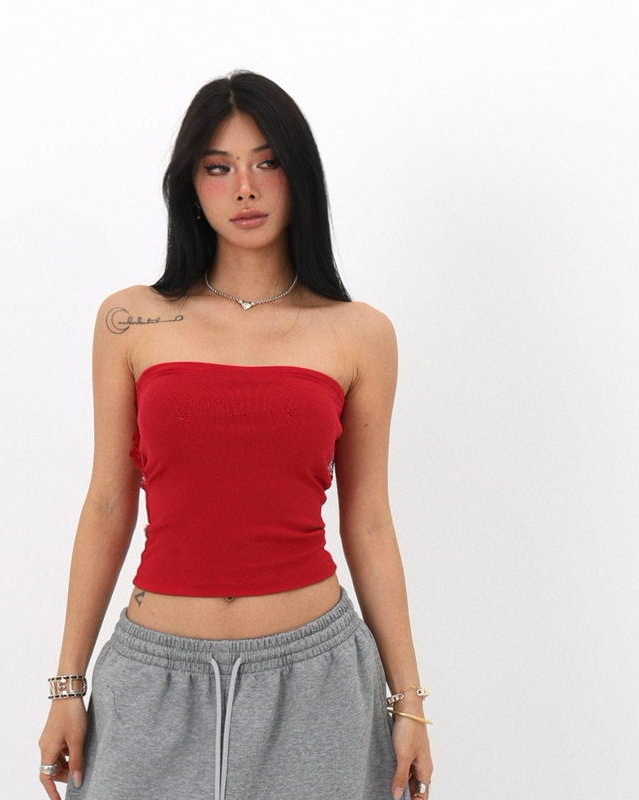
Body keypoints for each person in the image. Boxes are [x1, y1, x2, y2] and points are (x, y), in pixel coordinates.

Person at [38, 70, 433, 800]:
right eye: (218, 168)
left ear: (299, 175)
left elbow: (370, 522)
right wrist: (68, 682)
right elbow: (107, 503)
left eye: (266, 162)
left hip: (316, 680)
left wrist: (408, 702)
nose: (244, 189)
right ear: (191, 186)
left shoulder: (359, 334)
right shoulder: (132, 320)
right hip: (152, 676)